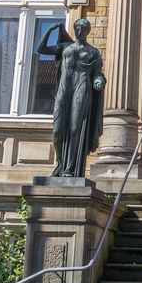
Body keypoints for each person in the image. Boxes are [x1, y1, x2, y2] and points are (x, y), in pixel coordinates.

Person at [37, 17, 105, 178]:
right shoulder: (64, 47)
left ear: (88, 31)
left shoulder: (93, 52)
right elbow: (41, 49)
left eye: (83, 28)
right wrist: (50, 30)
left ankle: (70, 168)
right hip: (64, 88)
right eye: (77, 28)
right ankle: (61, 163)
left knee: (76, 128)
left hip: (82, 87)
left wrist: (98, 80)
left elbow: (97, 73)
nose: (79, 31)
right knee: (58, 130)